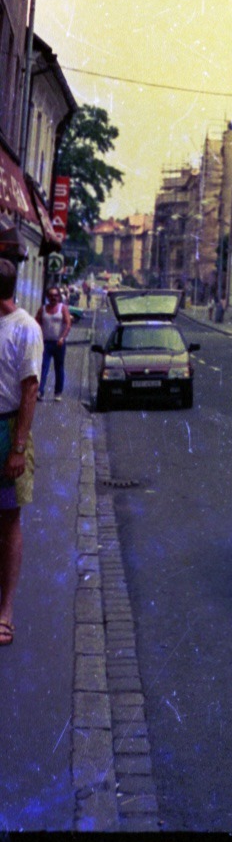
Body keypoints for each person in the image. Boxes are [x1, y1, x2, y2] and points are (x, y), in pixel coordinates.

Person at [0, 256, 42, 646]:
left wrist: (17, 448)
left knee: (9, 519)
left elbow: (30, 390)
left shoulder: (26, 328)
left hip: (8, 427)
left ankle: (5, 612)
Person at [36, 285, 71, 401]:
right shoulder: (43, 309)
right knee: (43, 366)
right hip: (46, 342)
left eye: (56, 295)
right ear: (47, 297)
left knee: (59, 367)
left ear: (59, 297)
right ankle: (40, 391)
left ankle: (58, 392)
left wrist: (62, 337)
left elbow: (67, 324)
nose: (53, 298)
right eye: (51, 295)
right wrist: (39, 333)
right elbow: (36, 322)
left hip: (59, 343)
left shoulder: (63, 308)